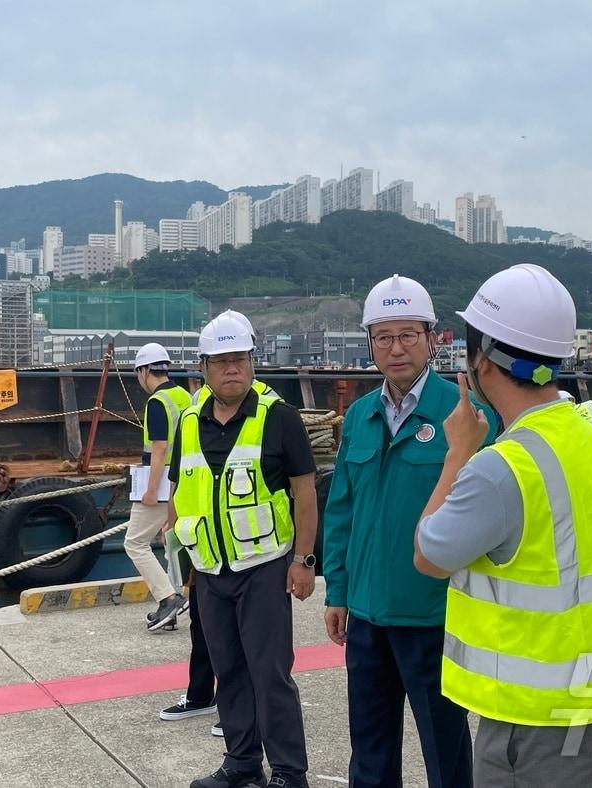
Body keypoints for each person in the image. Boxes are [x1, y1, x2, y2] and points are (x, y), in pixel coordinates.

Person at [413, 263, 592, 787]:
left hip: (534, 715)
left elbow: (428, 554)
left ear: (480, 360)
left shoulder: (503, 467)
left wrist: (457, 454)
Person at [323, 275, 492, 788]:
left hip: (433, 613)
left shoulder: (465, 415)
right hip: (368, 616)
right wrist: (338, 590)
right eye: (383, 337)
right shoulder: (359, 415)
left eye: (407, 335)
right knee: (369, 750)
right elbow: (341, 511)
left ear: (432, 338)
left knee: (445, 749)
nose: (395, 349)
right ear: (370, 342)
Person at [168, 311, 318, 788]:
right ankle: (241, 763)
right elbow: (181, 494)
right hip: (211, 571)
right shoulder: (190, 421)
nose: (232, 368)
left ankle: (290, 772)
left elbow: (305, 492)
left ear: (252, 361)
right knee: (228, 668)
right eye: (222, 361)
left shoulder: (279, 417)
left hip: (264, 567)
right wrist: (187, 565)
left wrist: (303, 560)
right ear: (204, 367)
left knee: (270, 672)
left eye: (241, 359)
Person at [126, 342, 192, 632]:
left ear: (143, 371)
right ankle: (171, 611)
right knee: (170, 541)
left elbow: (160, 447)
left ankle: (169, 598)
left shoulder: (156, 402)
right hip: (185, 479)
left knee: (135, 542)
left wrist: (151, 490)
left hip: (162, 482)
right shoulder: (184, 396)